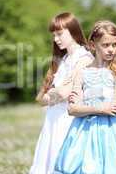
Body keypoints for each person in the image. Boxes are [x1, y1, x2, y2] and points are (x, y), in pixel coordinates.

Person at [54, 20, 116, 174]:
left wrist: (85, 108)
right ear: (92, 45)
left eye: (114, 44)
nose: (111, 49)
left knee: (114, 166)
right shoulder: (82, 71)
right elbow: (72, 109)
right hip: (85, 130)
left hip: (113, 129)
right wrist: (100, 108)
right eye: (105, 45)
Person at [30, 12, 93, 174]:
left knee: (65, 163)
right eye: (53, 35)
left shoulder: (84, 58)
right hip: (53, 120)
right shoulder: (62, 60)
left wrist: (56, 92)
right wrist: (56, 92)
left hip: (69, 121)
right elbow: (40, 98)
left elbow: (63, 93)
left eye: (59, 34)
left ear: (73, 31)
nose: (55, 39)